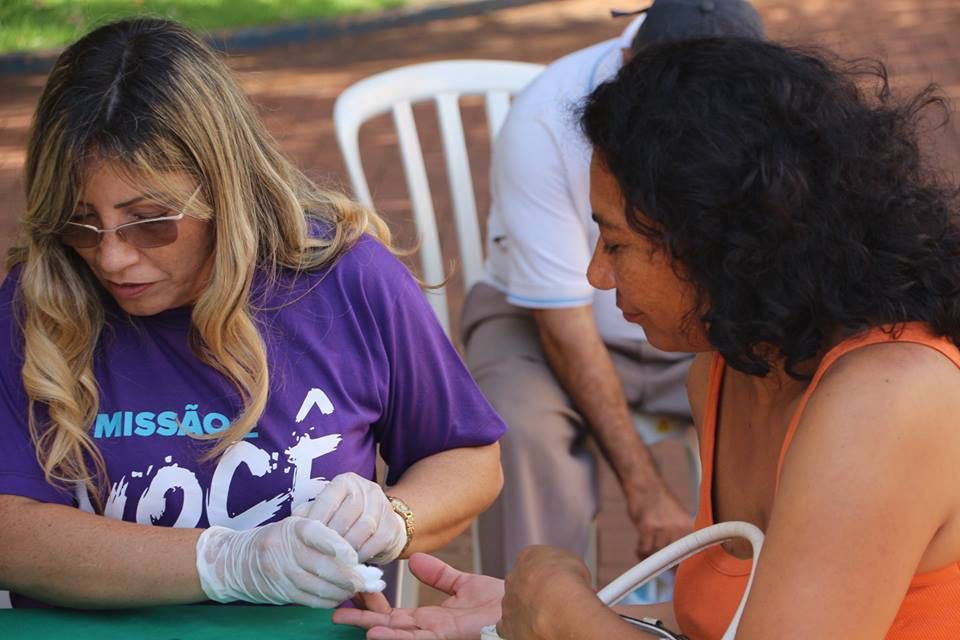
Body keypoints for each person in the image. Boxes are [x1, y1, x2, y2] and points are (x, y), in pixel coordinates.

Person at [335, 37, 960, 639]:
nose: (596, 274)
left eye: (617, 243)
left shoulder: (887, 396)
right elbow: (727, 620)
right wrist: (517, 615)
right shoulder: (724, 367)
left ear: (719, 242)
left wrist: (565, 617)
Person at [0, 18, 505, 609]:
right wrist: (224, 563)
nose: (111, 257)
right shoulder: (38, 301)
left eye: (150, 221)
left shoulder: (346, 278)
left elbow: (466, 456)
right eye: (78, 222)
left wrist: (394, 517)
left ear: (225, 192)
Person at [466, 0, 766, 578]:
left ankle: (754, 600)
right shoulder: (547, 121)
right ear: (628, 63)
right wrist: (645, 487)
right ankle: (530, 604)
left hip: (702, 321)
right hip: (546, 323)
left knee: (794, 400)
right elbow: (564, 317)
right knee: (520, 427)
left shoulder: (756, 113)